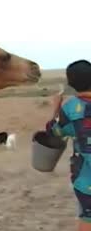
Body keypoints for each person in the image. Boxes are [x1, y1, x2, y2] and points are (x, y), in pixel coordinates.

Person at [46, 59, 91, 231]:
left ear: (71, 83)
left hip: (86, 181)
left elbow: (54, 133)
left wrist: (56, 109)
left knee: (87, 218)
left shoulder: (72, 108)